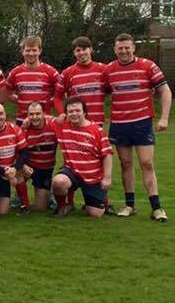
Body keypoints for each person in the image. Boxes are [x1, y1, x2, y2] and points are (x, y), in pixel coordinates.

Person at [104, 33, 171, 221]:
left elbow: (165, 91)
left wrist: (164, 118)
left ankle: (156, 208)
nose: (124, 51)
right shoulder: (109, 70)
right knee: (126, 164)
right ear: (115, 49)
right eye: (120, 48)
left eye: (127, 47)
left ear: (133, 48)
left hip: (142, 123)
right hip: (119, 124)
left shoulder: (148, 66)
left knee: (146, 163)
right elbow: (101, 92)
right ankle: (129, 205)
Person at [52, 98, 113, 218]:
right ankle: (62, 207)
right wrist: (27, 121)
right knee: (58, 182)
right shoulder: (61, 125)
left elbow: (107, 154)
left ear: (84, 112)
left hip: (93, 177)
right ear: (66, 114)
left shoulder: (96, 130)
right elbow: (42, 119)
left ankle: (102, 200)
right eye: (71, 111)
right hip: (72, 172)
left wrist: (107, 177)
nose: (74, 114)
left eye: (77, 110)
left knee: (95, 214)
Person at [5, 36, 61, 124]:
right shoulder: (15, 72)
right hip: (22, 120)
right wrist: (20, 101)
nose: (31, 54)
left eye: (34, 50)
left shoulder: (51, 71)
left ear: (40, 51)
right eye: (27, 50)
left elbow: (61, 94)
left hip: (44, 120)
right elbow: (7, 94)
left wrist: (48, 103)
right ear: (22, 51)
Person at [56, 36, 107, 126]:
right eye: (78, 50)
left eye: (84, 49)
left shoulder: (103, 69)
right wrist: (62, 113)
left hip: (97, 122)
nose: (81, 53)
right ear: (74, 53)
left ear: (91, 49)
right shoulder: (67, 73)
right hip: (75, 122)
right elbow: (57, 98)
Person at [22, 101, 60, 212]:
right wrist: (23, 166)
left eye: (38, 114)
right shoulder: (24, 130)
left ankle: (49, 194)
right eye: (31, 114)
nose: (34, 117)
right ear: (27, 115)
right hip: (28, 167)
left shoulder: (54, 126)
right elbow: (16, 152)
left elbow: (62, 120)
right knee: (11, 176)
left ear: (44, 113)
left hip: (45, 169)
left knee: (40, 209)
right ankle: (19, 197)